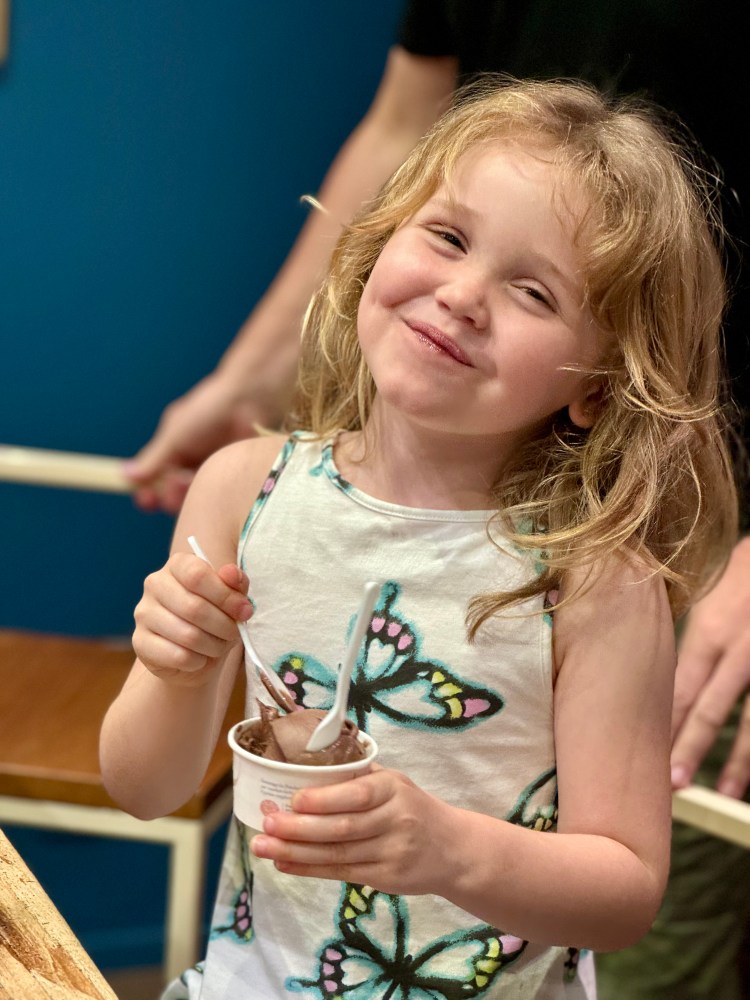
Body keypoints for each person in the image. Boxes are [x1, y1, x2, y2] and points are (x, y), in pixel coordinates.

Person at [101, 77, 738, 999]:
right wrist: (171, 667)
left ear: (595, 386)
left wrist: (446, 849)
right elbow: (143, 788)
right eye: (446, 237)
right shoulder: (243, 490)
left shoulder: (594, 579)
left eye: (533, 291)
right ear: (379, 243)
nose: (464, 296)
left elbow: (626, 891)